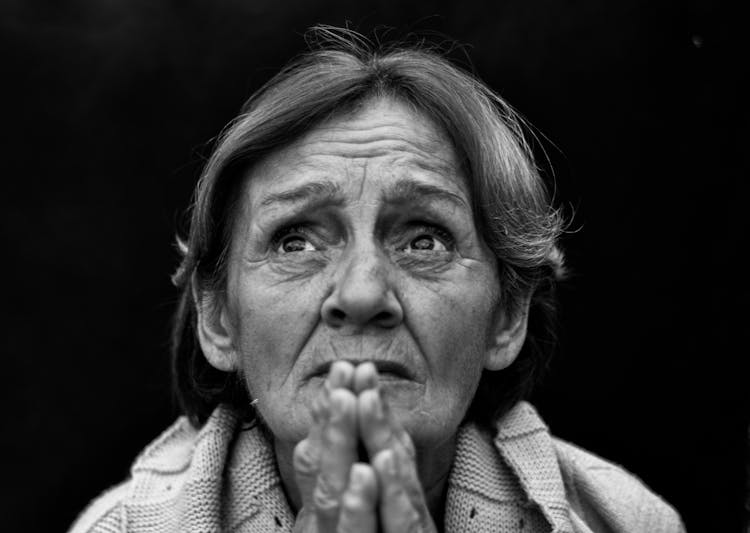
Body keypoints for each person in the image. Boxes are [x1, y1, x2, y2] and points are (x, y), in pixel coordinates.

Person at [70, 27, 685, 533]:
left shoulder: (625, 523)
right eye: (295, 241)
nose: (362, 296)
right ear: (218, 319)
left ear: (507, 316)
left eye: (424, 240)